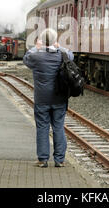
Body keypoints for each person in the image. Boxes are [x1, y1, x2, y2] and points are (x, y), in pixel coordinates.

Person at [23, 28, 74, 168]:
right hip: (59, 98)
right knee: (58, 126)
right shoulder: (62, 55)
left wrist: (36, 48)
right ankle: (59, 160)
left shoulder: (36, 56)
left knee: (42, 127)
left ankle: (43, 159)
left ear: (41, 41)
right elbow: (71, 55)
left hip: (42, 99)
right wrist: (60, 46)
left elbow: (26, 58)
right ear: (54, 40)